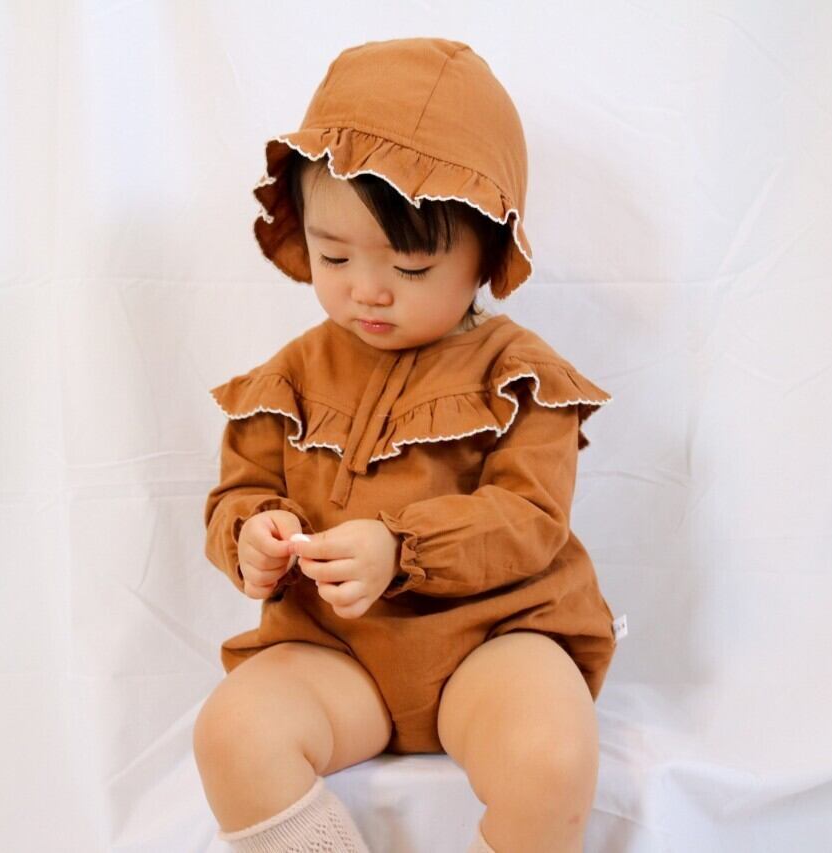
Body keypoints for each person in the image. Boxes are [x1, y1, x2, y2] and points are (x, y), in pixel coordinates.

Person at [192, 37, 623, 853]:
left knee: (552, 756)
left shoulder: (521, 377)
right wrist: (252, 536)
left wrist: (402, 547)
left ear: (486, 252)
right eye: (334, 255)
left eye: (412, 267)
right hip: (335, 653)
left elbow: (531, 517)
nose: (368, 289)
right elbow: (238, 492)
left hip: (491, 641)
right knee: (231, 734)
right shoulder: (287, 378)